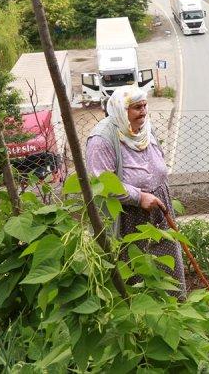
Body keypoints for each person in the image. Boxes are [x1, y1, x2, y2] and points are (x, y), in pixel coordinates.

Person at [86, 85, 186, 297]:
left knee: (168, 263)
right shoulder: (102, 139)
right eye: (136, 107)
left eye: (144, 105)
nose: (143, 111)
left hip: (159, 206)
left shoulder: (144, 129)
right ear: (122, 110)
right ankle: (143, 318)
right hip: (129, 215)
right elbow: (101, 182)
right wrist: (138, 196)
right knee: (137, 267)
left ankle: (174, 308)